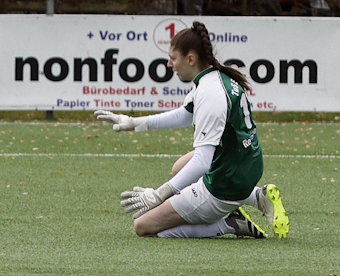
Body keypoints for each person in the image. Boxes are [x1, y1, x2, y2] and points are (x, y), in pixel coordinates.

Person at [94, 21, 289, 239]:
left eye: (173, 58)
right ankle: (256, 196)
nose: (169, 64)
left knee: (143, 226)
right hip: (246, 164)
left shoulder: (210, 94)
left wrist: (159, 195)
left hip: (225, 185)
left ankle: (230, 223)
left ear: (191, 59)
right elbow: (184, 115)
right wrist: (134, 123)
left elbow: (202, 161)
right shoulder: (214, 77)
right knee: (179, 168)